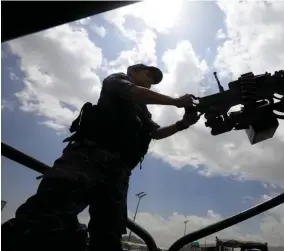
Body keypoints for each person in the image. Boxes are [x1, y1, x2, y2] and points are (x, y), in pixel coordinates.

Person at [1, 64, 200, 251]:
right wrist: (176, 101)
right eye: (147, 74)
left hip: (117, 174)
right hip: (86, 161)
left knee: (108, 235)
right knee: (45, 217)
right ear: (133, 72)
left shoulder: (142, 111)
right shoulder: (117, 80)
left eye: (154, 80)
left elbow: (155, 133)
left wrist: (183, 123)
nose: (150, 81)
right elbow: (134, 92)